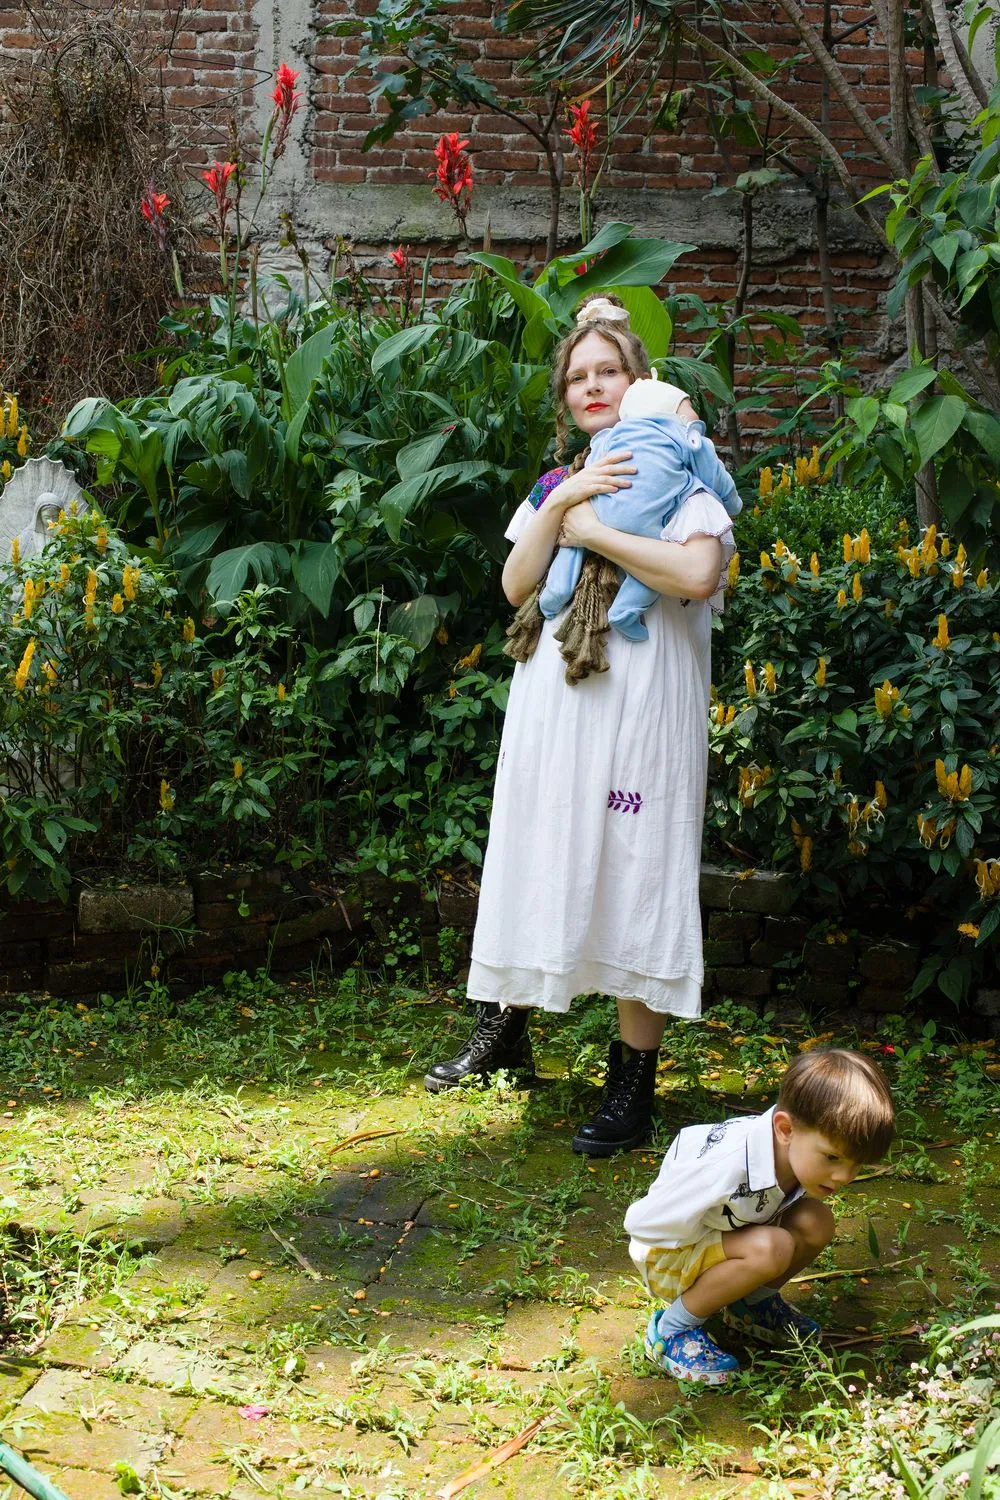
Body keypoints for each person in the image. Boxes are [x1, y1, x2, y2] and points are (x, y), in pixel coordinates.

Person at [423, 293, 738, 1157]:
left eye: (610, 372)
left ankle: (630, 1083)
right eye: (578, 376)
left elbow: (698, 573)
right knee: (539, 846)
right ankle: (506, 1029)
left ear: (640, 383)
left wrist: (599, 526)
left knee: (639, 863)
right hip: (556, 694)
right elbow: (516, 588)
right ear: (565, 396)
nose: (593, 386)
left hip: (643, 700)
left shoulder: (678, 465)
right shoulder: (557, 484)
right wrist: (568, 508)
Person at [625, 1048, 895, 1383]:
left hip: (729, 1234)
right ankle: (671, 1328)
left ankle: (750, 1306)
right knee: (772, 1247)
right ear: (785, 1129)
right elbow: (642, 1223)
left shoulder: (793, 1150)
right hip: (666, 1254)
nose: (844, 1177)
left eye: (856, 1165)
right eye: (833, 1158)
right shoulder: (725, 1166)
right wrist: (718, 1250)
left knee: (816, 1221)